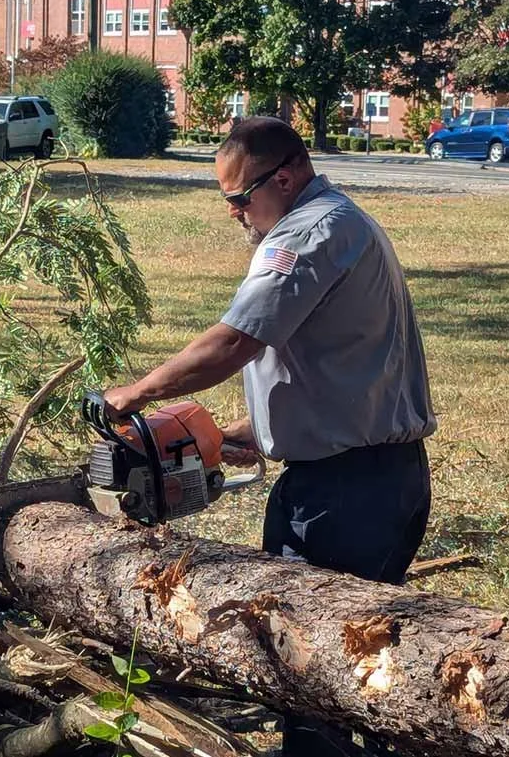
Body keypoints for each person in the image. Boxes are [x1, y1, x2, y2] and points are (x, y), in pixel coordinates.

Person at [102, 116, 436, 756]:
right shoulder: (338, 224)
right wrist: (243, 434)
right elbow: (340, 370)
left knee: (315, 672)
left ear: (284, 176)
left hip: (347, 495)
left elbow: (235, 341)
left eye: (238, 197)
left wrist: (137, 392)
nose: (233, 214)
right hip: (363, 477)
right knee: (345, 670)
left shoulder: (311, 235)